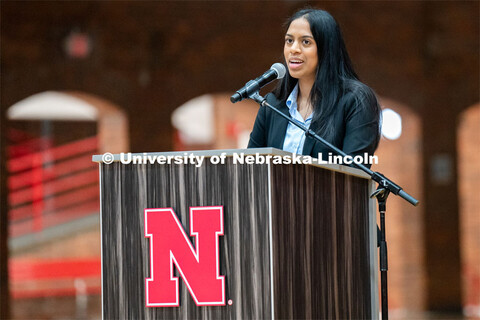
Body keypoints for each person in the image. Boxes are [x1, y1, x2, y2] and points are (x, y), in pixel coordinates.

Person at [248, 8, 381, 167]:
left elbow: (354, 175)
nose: (294, 49)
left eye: (306, 42)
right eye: (289, 40)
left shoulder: (356, 100)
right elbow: (252, 166)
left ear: (326, 49)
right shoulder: (272, 105)